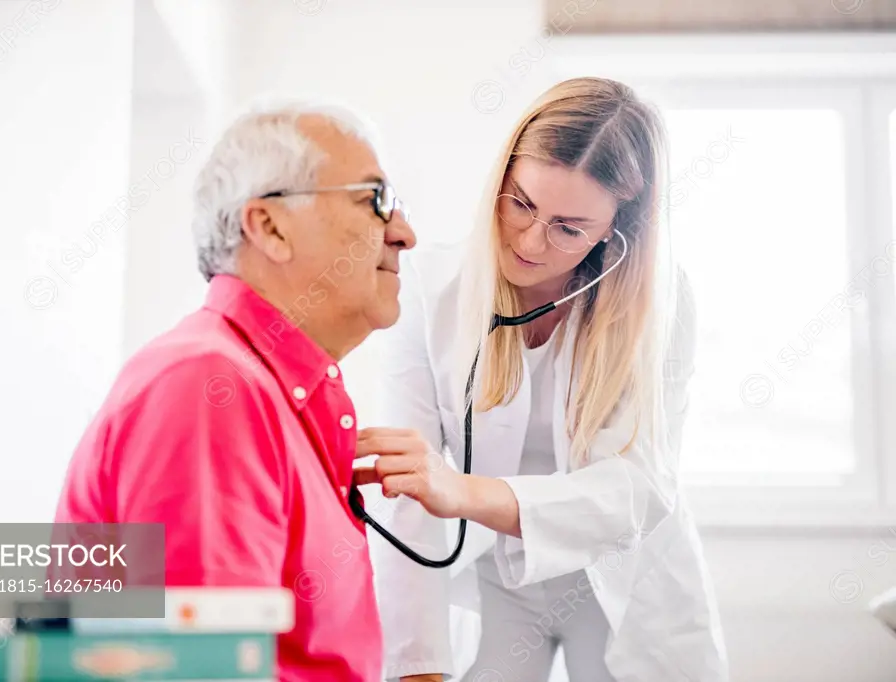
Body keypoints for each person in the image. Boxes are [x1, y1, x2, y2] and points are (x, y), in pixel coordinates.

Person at [357, 78, 728, 681]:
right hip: (489, 577)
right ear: (501, 179)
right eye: (521, 204)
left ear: (616, 227)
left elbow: (638, 487)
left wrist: (464, 492)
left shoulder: (662, 302)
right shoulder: (431, 291)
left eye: (569, 227)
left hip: (626, 579)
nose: (531, 242)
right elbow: (408, 492)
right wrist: (416, 665)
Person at [53, 100, 416, 682]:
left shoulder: (253, 387)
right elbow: (203, 671)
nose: (404, 233)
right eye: (374, 200)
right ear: (269, 227)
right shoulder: (210, 387)